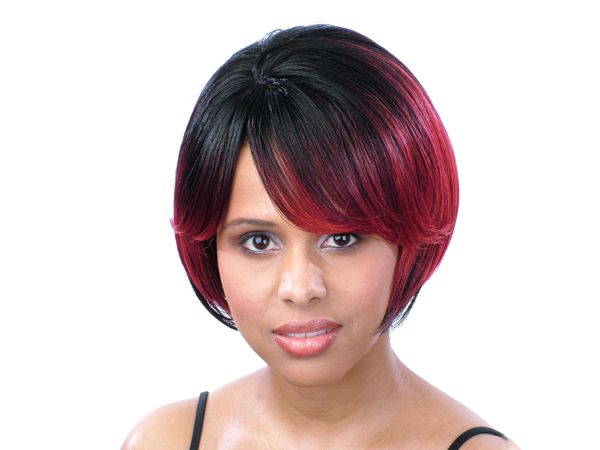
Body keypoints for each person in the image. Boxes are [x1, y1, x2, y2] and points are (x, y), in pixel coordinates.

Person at [122, 25, 519, 449]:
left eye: (342, 238)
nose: (300, 289)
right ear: (209, 248)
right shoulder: (164, 441)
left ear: (410, 232)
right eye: (259, 241)